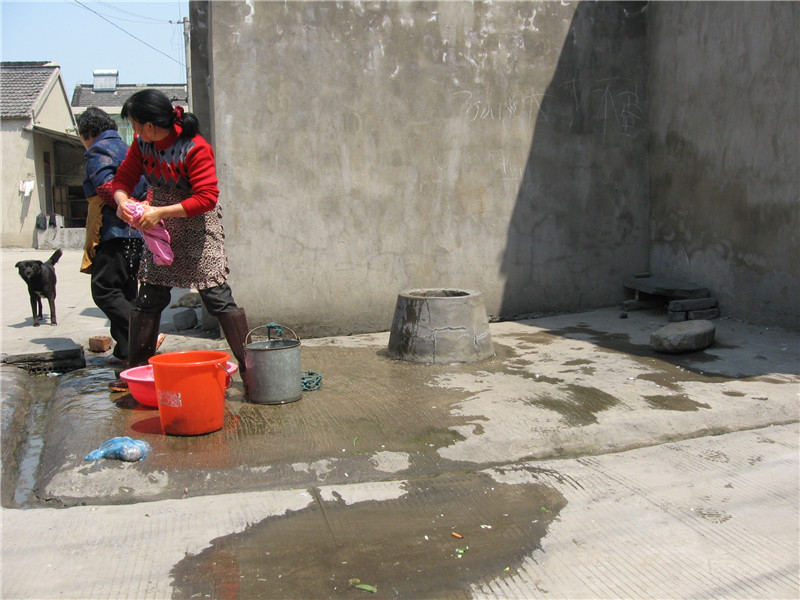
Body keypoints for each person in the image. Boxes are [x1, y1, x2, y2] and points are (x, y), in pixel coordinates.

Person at [110, 89, 250, 388]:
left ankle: (253, 373)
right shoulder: (142, 144)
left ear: (150, 126)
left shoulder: (195, 148)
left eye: (134, 124)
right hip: (159, 227)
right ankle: (137, 373)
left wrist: (160, 211)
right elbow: (122, 180)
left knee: (217, 297)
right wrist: (123, 202)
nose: (133, 130)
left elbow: (207, 197)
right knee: (150, 297)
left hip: (196, 225)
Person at [77, 107, 156, 388]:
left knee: (105, 289)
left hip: (115, 230)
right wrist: (140, 211)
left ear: (87, 132)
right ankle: (126, 352)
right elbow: (148, 186)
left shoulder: (98, 150)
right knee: (125, 289)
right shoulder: (128, 149)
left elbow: (105, 187)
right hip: (136, 233)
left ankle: (144, 337)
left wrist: (125, 208)